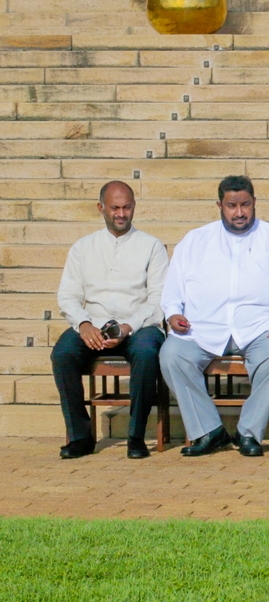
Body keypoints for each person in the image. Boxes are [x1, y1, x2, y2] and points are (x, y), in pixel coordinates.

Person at [159, 176, 269, 457]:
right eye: (231, 206)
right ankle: (208, 431)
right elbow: (173, 285)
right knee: (171, 355)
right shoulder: (196, 240)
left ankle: (248, 432)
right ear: (219, 206)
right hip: (202, 327)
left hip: (259, 328)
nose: (239, 212)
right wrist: (173, 313)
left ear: (254, 202)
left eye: (245, 205)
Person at [53, 181, 168, 460]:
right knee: (63, 354)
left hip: (138, 325)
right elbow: (68, 295)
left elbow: (159, 299)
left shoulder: (151, 246)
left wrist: (129, 327)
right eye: (115, 207)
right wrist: (83, 324)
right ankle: (80, 436)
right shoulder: (83, 247)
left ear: (134, 207)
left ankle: (136, 437)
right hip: (94, 324)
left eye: (127, 207)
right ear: (101, 207)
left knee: (147, 352)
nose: (121, 214)